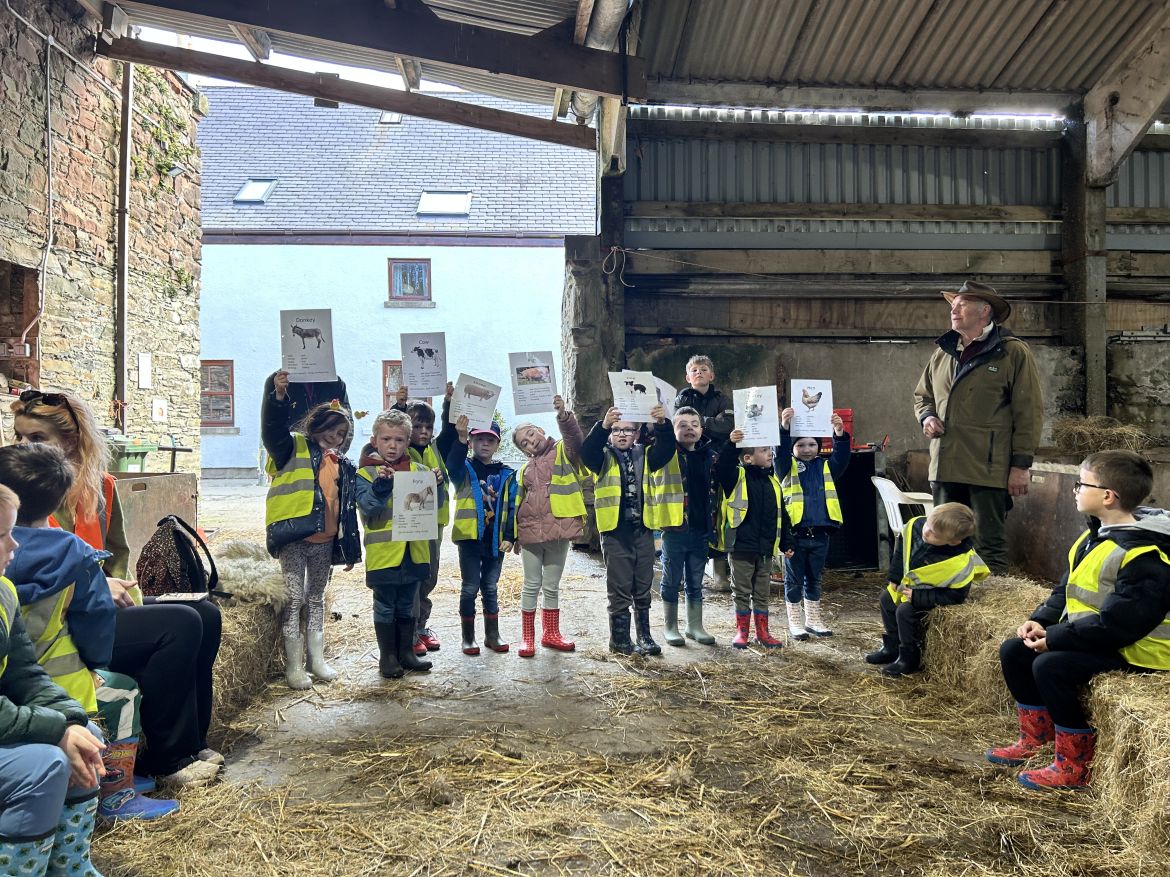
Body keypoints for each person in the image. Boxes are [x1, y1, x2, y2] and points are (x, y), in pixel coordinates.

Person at [10, 389, 222, 787]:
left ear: (71, 441)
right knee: (179, 624)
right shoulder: (16, 489)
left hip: (97, 601)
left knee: (206, 613)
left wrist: (124, 595)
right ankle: (168, 758)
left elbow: (119, 556)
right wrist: (94, 587)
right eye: (18, 435)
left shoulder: (102, 487)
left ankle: (194, 742)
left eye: (36, 437)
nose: (22, 444)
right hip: (59, 620)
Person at [1, 444, 179, 822]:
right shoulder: (75, 554)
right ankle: (116, 793)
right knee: (124, 692)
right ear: (59, 500)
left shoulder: (6, 549)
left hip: (10, 686)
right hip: (60, 683)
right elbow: (96, 621)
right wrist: (97, 663)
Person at [986, 450, 1170, 790]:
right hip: (1101, 638)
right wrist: (1041, 621)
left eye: (1081, 484)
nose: (1075, 490)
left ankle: (1075, 764)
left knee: (1051, 665)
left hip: (1138, 651)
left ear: (1108, 496)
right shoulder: (1093, 536)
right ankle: (1036, 738)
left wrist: (1057, 639)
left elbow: (1121, 625)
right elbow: (1065, 589)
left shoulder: (1144, 556)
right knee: (1014, 650)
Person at [0, 482, 108, 876]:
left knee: (87, 736)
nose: (15, 545)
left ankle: (71, 866)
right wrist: (56, 730)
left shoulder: (4, 591)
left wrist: (72, 719)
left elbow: (26, 675)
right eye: (3, 535)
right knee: (43, 765)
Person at [913, 280, 1044, 574]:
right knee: (942, 538)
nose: (954, 310)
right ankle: (948, 594)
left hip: (988, 467)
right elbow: (922, 396)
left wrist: (1020, 465)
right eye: (953, 304)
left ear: (984, 311)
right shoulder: (943, 352)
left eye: (962, 304)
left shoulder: (1011, 352)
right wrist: (927, 417)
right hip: (945, 463)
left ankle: (991, 597)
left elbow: (1029, 412)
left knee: (988, 543)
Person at [262, 372, 360, 690]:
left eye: (342, 433)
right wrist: (277, 399)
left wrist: (348, 549)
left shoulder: (342, 463)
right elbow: (272, 431)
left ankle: (316, 660)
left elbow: (347, 509)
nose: (336, 437)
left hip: (324, 540)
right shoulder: (291, 447)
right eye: (331, 429)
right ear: (316, 426)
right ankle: (294, 665)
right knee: (293, 599)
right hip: (294, 537)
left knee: (316, 598)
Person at [580, 404, 674, 656]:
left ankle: (644, 635)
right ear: (610, 433)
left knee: (643, 584)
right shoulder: (602, 457)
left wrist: (662, 425)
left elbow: (666, 449)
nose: (621, 434)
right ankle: (619, 639)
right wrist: (602, 426)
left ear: (637, 433)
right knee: (620, 586)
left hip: (642, 530)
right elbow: (586, 452)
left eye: (628, 430)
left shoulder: (646, 454)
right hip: (615, 532)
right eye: (616, 429)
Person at [864, 503, 989, 677]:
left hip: (931, 594)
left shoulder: (959, 563)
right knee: (886, 598)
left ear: (953, 542)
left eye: (934, 534)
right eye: (927, 525)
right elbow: (902, 550)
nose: (926, 532)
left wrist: (917, 596)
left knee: (904, 612)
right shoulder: (916, 525)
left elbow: (956, 596)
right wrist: (895, 576)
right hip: (909, 587)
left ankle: (908, 657)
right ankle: (892, 647)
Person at [355, 410, 433, 679]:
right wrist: (381, 486)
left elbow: (431, 506)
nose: (392, 446)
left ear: (408, 442)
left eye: (399, 440)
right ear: (374, 441)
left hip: (414, 551)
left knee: (407, 604)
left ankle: (406, 653)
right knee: (385, 604)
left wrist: (437, 484)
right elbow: (368, 507)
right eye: (386, 439)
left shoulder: (421, 472)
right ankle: (387, 657)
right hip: (384, 553)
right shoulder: (366, 473)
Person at [511, 396, 585, 658]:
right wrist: (513, 535)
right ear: (524, 452)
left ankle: (551, 634)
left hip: (559, 530)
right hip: (530, 534)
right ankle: (527, 638)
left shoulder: (564, 452)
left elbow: (575, 439)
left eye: (531, 434)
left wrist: (564, 415)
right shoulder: (523, 471)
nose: (531, 441)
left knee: (551, 585)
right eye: (524, 443)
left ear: (541, 430)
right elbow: (515, 503)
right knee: (531, 584)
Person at [444, 417, 517, 655]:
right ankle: (468, 638)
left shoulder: (507, 474)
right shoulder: (463, 469)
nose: (484, 444)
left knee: (490, 587)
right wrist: (460, 437)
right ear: (471, 442)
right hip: (470, 539)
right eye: (479, 439)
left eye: (490, 440)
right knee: (469, 587)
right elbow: (452, 464)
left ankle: (492, 635)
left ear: (497, 444)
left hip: (496, 540)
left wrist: (510, 536)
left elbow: (512, 507)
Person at [777, 409, 850, 639]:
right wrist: (784, 429)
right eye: (800, 445)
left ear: (819, 446)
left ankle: (813, 620)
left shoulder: (826, 467)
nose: (807, 449)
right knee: (794, 580)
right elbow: (779, 453)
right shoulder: (785, 466)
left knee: (814, 579)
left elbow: (842, 458)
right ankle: (795, 622)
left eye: (812, 444)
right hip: (795, 535)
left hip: (820, 534)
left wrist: (839, 433)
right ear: (793, 447)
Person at [718, 431, 793, 649]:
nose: (770, 454)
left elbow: (782, 515)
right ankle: (742, 632)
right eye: (764, 450)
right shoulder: (737, 477)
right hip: (742, 547)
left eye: (770, 450)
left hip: (766, 548)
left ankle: (763, 632)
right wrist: (731, 444)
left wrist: (787, 542)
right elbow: (723, 467)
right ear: (748, 458)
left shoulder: (774, 482)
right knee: (741, 591)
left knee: (762, 592)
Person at [398, 385, 453, 656]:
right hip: (409, 526)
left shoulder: (435, 449)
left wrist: (449, 403)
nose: (423, 432)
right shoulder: (401, 451)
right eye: (417, 426)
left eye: (428, 427)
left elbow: (450, 432)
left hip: (434, 524)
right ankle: (409, 632)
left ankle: (421, 627)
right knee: (413, 578)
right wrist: (399, 406)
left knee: (430, 577)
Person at [657, 406, 719, 647]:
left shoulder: (710, 456)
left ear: (701, 429)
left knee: (695, 580)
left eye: (694, 424)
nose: (689, 429)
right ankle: (670, 626)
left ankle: (694, 626)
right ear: (673, 430)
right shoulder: (666, 454)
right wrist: (660, 425)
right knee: (672, 579)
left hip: (701, 529)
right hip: (675, 528)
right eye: (682, 425)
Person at [673, 355, 735, 591]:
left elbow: (727, 427)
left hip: (715, 460)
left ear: (712, 375)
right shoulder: (682, 398)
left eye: (703, 369)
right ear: (687, 377)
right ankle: (680, 574)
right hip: (687, 461)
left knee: (716, 514)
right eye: (694, 370)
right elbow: (680, 425)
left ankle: (719, 573)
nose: (699, 372)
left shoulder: (722, 399)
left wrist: (699, 421)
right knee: (687, 512)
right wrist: (711, 422)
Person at [262, 370, 353, 452]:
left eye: (340, 433)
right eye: (330, 427)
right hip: (290, 453)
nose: (333, 435)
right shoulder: (279, 381)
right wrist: (279, 394)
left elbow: (347, 424)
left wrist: (336, 456)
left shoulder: (335, 383)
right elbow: (271, 428)